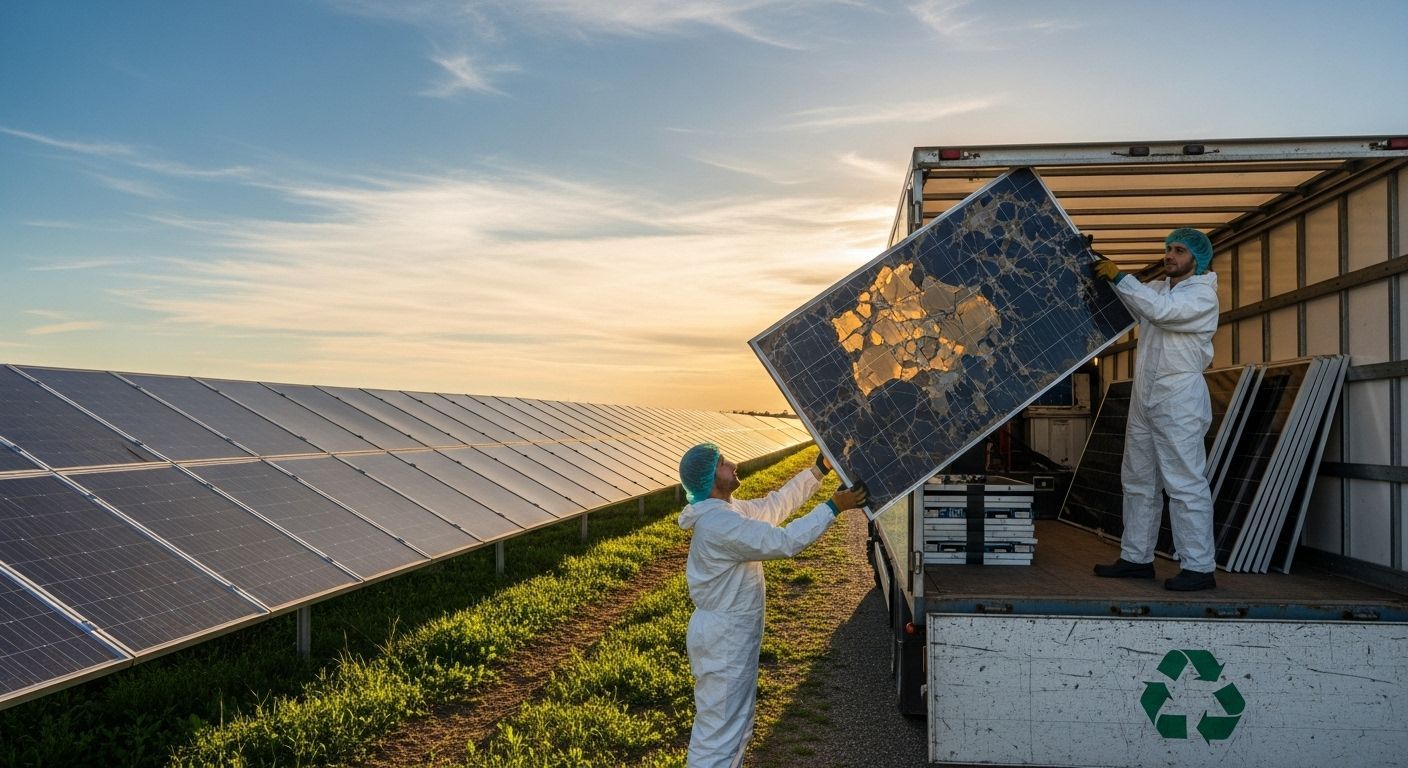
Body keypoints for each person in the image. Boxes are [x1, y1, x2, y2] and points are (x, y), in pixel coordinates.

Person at [677, 444, 868, 768]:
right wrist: (833, 507)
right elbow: (784, 541)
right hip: (724, 641)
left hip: (729, 636)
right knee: (719, 734)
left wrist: (817, 472)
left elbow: (775, 506)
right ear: (710, 478)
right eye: (723, 463)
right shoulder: (720, 526)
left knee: (732, 728)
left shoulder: (726, 512)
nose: (733, 464)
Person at [1091, 227, 1220, 591]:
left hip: (1179, 397)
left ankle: (1198, 567)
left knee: (1184, 483)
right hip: (1146, 395)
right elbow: (1137, 302)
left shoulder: (1201, 297)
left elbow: (1160, 312)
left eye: (1178, 250)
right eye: (1167, 249)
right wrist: (1098, 270)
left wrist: (1121, 277)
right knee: (1138, 480)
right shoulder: (1162, 289)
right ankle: (1136, 558)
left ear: (1198, 258)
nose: (1170, 256)